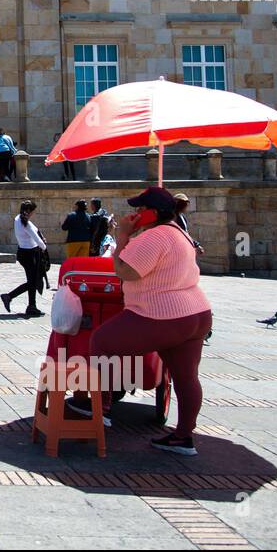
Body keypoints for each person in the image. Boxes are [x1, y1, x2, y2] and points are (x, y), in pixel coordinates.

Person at [89, 186, 214, 456]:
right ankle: (183, 437)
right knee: (185, 376)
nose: (135, 213)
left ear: (152, 213)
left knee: (100, 341)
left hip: (161, 314)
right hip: (197, 313)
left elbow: (126, 271)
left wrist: (122, 236)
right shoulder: (180, 233)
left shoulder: (154, 237)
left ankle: (102, 408)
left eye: (139, 209)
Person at [0, 200, 47, 317]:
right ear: (29, 211)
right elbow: (38, 240)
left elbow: (33, 230)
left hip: (22, 253)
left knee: (32, 281)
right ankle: (9, 296)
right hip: (31, 254)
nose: (33, 214)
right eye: (33, 212)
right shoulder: (26, 224)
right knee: (33, 282)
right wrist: (44, 247)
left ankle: (32, 306)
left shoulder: (17, 219)